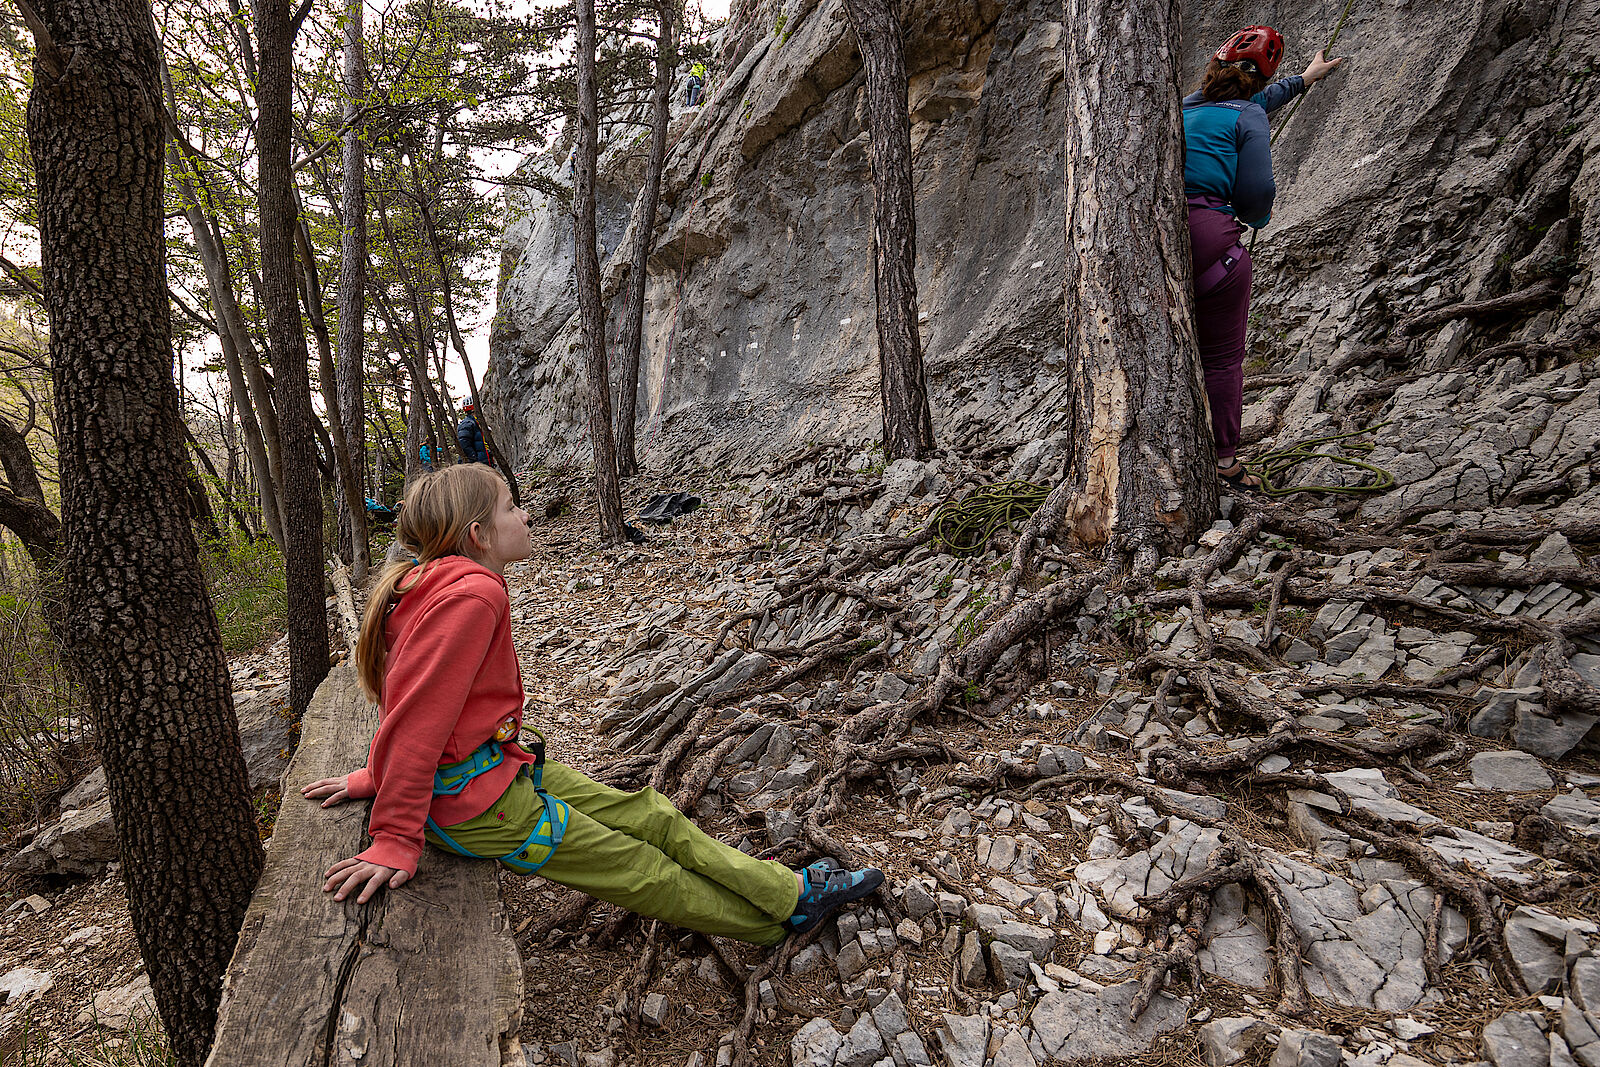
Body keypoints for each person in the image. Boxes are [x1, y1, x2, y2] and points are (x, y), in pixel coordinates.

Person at [301, 464, 883, 945]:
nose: (525, 515)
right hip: (481, 808)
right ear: (479, 534)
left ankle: (791, 892)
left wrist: (373, 775)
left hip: (500, 770)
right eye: (511, 506)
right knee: (642, 871)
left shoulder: (432, 582)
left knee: (652, 813)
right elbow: (418, 718)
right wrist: (397, 835)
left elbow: (411, 699)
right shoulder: (471, 596)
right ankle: (775, 926)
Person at [1183, 27, 1343, 490]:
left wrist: (1302, 80)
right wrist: (1258, 216)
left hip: (1158, 243)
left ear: (1214, 67)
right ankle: (1224, 460)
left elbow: (1247, 105)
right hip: (1215, 250)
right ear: (1256, 84)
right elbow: (1256, 194)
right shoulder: (1248, 116)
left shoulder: (1182, 110)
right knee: (1221, 358)